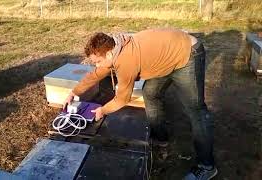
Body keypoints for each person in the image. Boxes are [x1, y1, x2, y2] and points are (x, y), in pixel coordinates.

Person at [63, 28, 217, 180]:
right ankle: (160, 138)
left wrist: (103, 110)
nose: (96, 65)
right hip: (166, 57)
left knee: (195, 110)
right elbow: (96, 73)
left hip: (187, 53)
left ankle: (207, 166)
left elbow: (122, 99)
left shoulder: (125, 60)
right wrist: (74, 92)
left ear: (109, 54)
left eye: (97, 62)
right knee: (150, 94)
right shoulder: (115, 46)